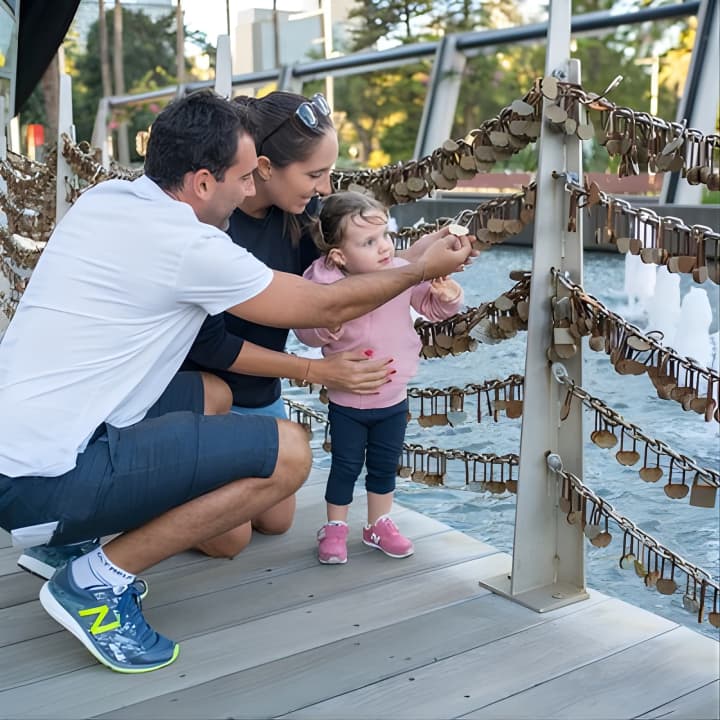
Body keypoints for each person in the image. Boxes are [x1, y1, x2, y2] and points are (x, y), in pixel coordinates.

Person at [0, 89, 472, 674]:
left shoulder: (108, 199)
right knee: (290, 455)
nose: (252, 191)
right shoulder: (191, 245)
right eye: (244, 178)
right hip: (43, 479)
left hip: (22, 447)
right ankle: (94, 582)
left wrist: (410, 257)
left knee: (215, 395)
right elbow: (320, 309)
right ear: (202, 182)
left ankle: (67, 539)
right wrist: (421, 271)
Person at [181, 91, 463, 560]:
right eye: (314, 174)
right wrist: (316, 372)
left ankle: (205, 476)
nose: (325, 187)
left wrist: (428, 255)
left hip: (260, 395)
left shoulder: (304, 219)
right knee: (230, 540)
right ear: (265, 168)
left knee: (276, 521)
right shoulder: (217, 227)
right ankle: (158, 489)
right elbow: (211, 345)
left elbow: (362, 275)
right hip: (209, 390)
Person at [294, 191, 464, 565]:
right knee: (345, 465)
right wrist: (327, 328)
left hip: (392, 398)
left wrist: (448, 294)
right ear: (339, 255)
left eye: (385, 235)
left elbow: (431, 308)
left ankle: (378, 522)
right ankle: (335, 527)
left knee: (385, 465)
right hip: (347, 400)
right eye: (369, 242)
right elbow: (304, 329)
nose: (384, 247)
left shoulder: (398, 271)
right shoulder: (322, 282)